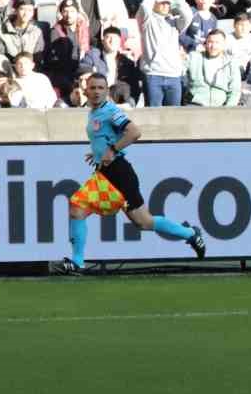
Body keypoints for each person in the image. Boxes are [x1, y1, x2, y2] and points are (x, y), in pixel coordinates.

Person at [52, 75, 207, 274]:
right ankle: (77, 262)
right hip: (106, 173)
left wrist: (113, 150)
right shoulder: (94, 113)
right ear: (86, 91)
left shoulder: (110, 111)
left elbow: (134, 132)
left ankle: (190, 233)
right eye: (93, 88)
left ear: (107, 91)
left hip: (119, 174)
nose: (97, 91)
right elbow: (107, 139)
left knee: (140, 221)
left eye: (101, 88)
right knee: (84, 209)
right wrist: (99, 153)